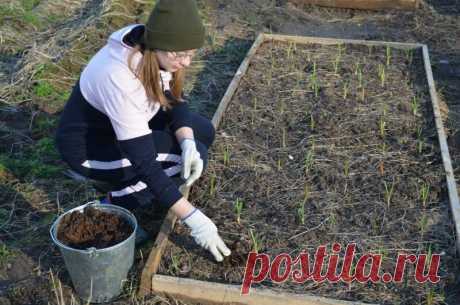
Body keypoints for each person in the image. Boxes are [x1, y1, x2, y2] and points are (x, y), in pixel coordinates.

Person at [55, 0, 231, 262]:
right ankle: (114, 204)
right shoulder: (119, 77)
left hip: (124, 126)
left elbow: (173, 97)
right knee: (178, 162)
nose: (186, 62)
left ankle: (129, 180)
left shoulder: (150, 44)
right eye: (179, 55)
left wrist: (188, 142)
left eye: (191, 54)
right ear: (159, 45)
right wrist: (194, 219)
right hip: (90, 150)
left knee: (201, 133)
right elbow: (145, 163)